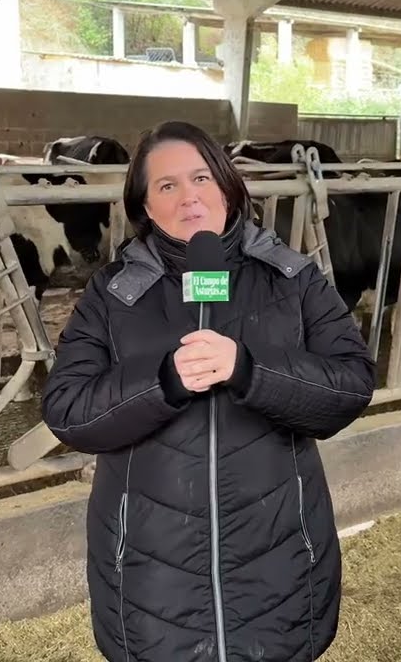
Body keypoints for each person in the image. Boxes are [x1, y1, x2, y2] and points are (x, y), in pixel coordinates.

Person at [41, 120, 376, 662]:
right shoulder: (114, 293)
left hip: (278, 559)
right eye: (166, 186)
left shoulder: (291, 278)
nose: (188, 196)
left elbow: (352, 384)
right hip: (153, 575)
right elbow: (68, 411)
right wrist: (163, 381)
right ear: (146, 206)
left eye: (201, 177)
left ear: (227, 186)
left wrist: (250, 370)